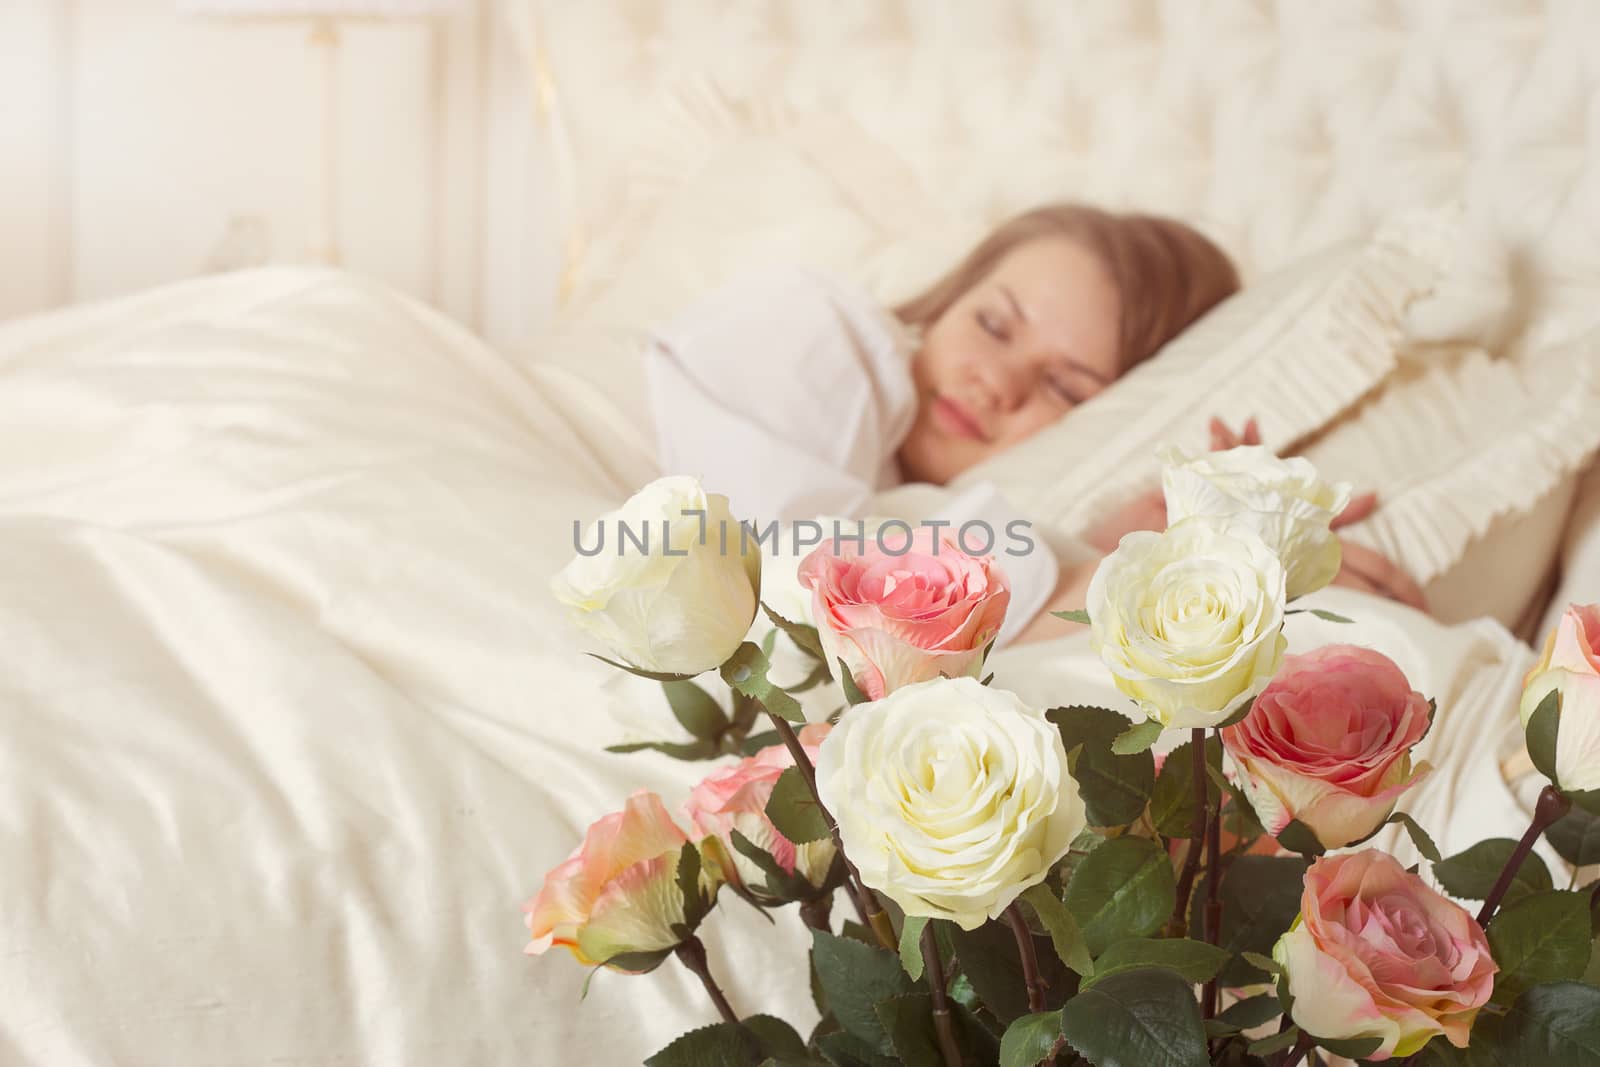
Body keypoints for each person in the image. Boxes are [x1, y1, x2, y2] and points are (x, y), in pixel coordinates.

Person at [645, 203, 1424, 647]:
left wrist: (1128, 549)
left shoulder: (914, 503)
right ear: (949, 296)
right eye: (992, 322)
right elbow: (810, 622)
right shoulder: (822, 335)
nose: (997, 381)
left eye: (1062, 384)